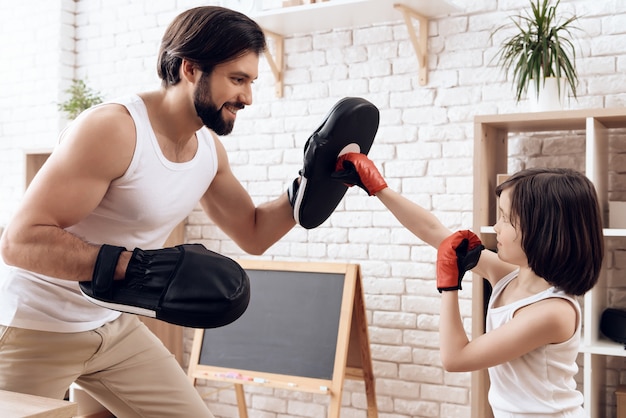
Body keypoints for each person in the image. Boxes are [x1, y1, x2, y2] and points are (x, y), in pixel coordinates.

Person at [0, 6, 299, 418]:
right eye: (237, 80)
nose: (247, 97)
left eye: (250, 82)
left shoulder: (209, 151)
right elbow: (19, 241)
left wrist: (313, 185)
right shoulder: (114, 130)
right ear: (190, 69)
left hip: (112, 327)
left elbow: (253, 232)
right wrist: (134, 268)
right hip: (35, 328)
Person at [334, 153, 604, 417]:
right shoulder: (511, 276)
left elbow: (455, 358)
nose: (495, 227)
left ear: (542, 230)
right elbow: (434, 231)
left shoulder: (552, 312)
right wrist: (378, 188)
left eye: (506, 219)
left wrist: (449, 285)